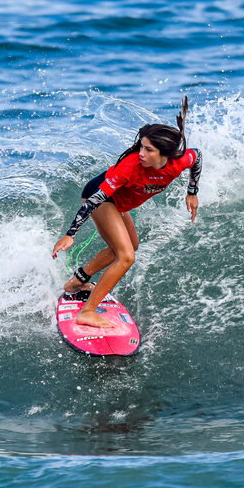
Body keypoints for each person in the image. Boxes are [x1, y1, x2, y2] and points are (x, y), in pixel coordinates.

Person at [52, 97, 202, 328]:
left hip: (118, 203)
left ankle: (76, 283)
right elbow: (95, 199)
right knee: (126, 256)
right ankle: (87, 311)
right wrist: (71, 233)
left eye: (148, 149)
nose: (141, 152)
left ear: (165, 154)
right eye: (141, 146)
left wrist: (192, 191)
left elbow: (197, 156)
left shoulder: (179, 161)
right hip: (102, 197)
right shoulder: (130, 167)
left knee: (130, 246)